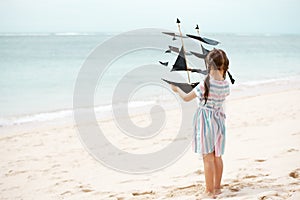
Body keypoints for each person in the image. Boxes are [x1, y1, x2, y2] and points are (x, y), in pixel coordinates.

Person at [171, 48, 230, 197]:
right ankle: (217, 187)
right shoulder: (225, 85)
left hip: (206, 121)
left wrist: (177, 89)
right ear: (224, 67)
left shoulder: (204, 85)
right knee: (218, 156)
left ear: (209, 66)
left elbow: (186, 98)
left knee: (207, 157)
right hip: (219, 121)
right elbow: (217, 88)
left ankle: (209, 191)